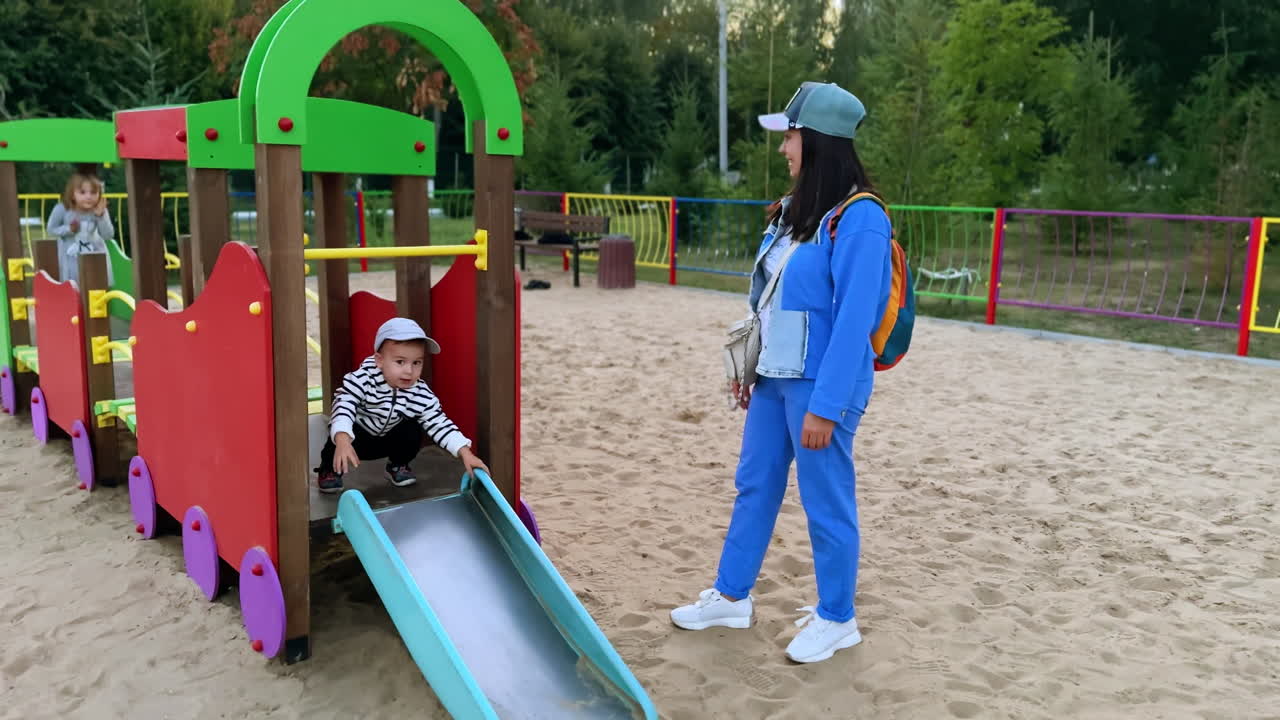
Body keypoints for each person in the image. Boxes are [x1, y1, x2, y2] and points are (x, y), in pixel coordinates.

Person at [669, 82, 893, 664]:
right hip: (775, 377)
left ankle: (838, 618)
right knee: (755, 485)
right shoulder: (798, 213)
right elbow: (768, 298)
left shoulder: (861, 219)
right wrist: (750, 366)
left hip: (819, 387)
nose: (783, 148)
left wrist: (827, 404)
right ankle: (731, 595)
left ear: (816, 141)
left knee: (826, 500)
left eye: (790, 136)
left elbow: (853, 322)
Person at [316, 317, 489, 494]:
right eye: (400, 362)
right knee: (337, 432)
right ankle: (328, 470)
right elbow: (344, 405)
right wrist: (343, 439)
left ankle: (397, 465)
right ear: (379, 360)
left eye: (416, 362)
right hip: (357, 439)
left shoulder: (419, 392)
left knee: (412, 429)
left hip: (387, 439)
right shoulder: (363, 379)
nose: (409, 370)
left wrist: (466, 453)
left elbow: (439, 422)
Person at [46, 172, 115, 284]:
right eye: (82, 192)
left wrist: (100, 216)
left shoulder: (99, 210)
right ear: (72, 194)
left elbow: (108, 235)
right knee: (74, 286)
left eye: (93, 192)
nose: (88, 197)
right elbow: (51, 229)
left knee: (96, 286)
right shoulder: (63, 209)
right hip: (71, 257)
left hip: (95, 257)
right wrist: (69, 229)